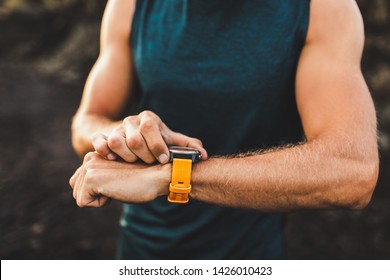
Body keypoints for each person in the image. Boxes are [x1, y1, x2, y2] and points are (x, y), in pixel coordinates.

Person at [69, 0, 379, 259]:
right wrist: (122, 135)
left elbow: (352, 171)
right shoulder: (130, 5)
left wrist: (174, 175)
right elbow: (86, 121)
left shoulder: (322, 8)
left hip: (249, 255)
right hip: (140, 248)